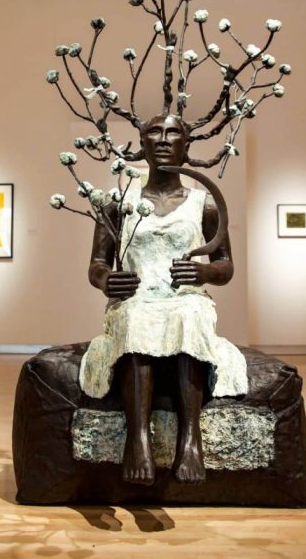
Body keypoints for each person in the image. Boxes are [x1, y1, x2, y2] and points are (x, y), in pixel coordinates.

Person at [78, 113, 248, 485]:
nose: (164, 139)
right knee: (136, 316)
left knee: (189, 315)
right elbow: (96, 264)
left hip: (185, 297)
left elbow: (225, 265)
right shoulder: (117, 201)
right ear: (142, 143)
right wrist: (107, 280)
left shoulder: (204, 204)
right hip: (136, 297)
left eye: (173, 133)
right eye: (154, 132)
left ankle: (191, 439)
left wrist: (204, 273)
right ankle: (137, 439)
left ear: (186, 145)